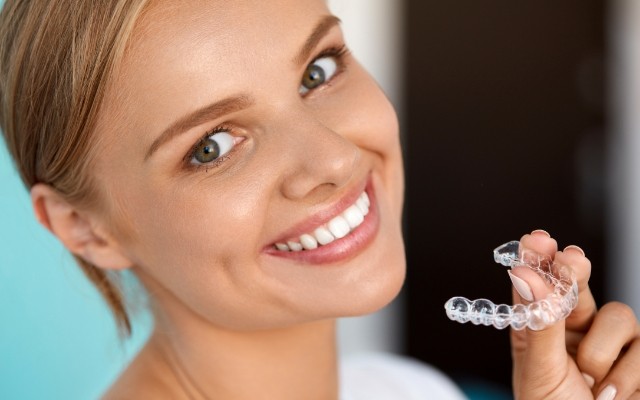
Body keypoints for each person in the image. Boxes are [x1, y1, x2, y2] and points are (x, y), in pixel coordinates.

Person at [0, 1, 638, 399]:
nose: (335, 158)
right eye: (213, 145)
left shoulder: (405, 391)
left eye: (318, 72)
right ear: (84, 228)